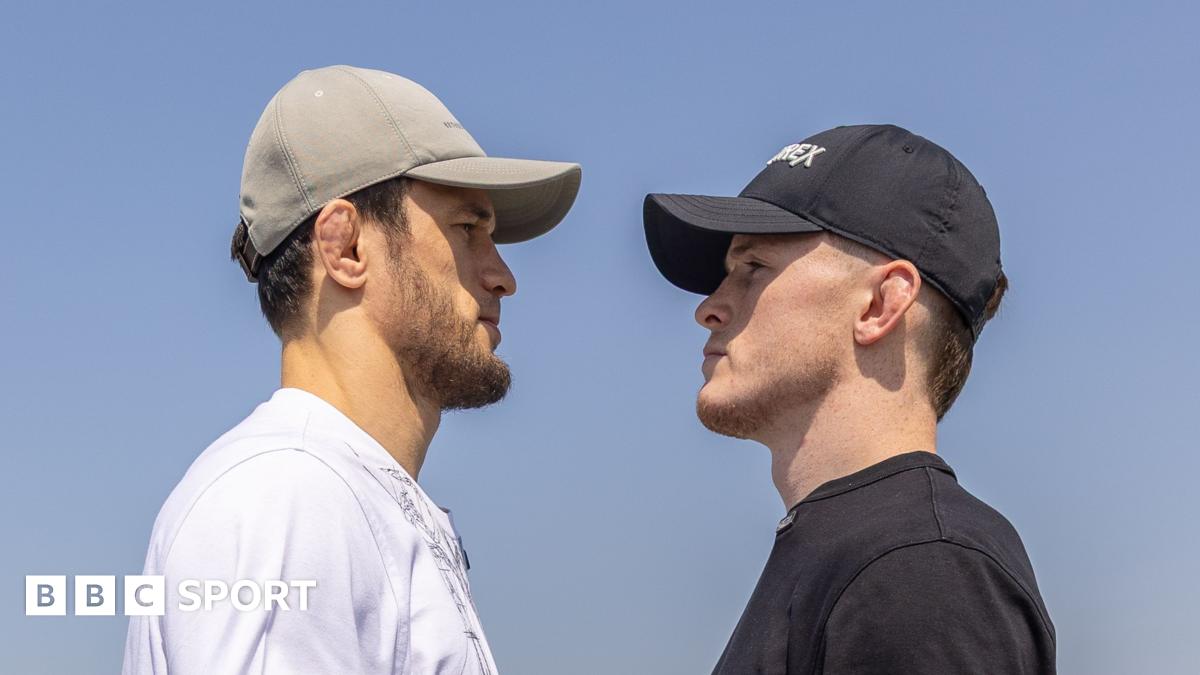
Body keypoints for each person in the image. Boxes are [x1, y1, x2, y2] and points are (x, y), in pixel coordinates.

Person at [122, 65, 581, 674]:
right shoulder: (291, 499)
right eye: (468, 229)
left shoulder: (337, 494)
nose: (503, 276)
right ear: (346, 248)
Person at [643, 124, 1055, 674]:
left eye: (753, 267)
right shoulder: (861, 552)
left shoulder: (919, 568)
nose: (709, 308)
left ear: (880, 305)